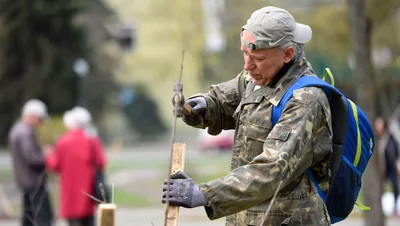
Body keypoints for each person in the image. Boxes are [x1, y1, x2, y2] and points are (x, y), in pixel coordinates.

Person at [162, 6, 333, 225]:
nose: (248, 65)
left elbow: (271, 169)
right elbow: (223, 103)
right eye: (245, 53)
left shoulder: (306, 100)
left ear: (287, 54)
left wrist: (204, 194)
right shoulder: (257, 78)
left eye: (258, 58)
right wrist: (198, 106)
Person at [45, 107, 106, 226]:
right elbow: (100, 162)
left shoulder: (63, 141)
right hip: (88, 189)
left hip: (70, 191)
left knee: (73, 221)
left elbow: (54, 165)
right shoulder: (91, 140)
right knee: (88, 220)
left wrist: (48, 154)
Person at [8, 99, 54, 226]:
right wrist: (46, 156)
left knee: (28, 217)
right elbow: (33, 159)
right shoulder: (25, 133)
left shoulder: (17, 130)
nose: (40, 123)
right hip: (34, 182)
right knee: (42, 217)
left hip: (25, 181)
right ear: (32, 116)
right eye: (40, 119)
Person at [375, 117, 399, 217]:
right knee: (380, 188)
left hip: (391, 167)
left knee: (395, 187)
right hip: (381, 168)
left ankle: (394, 209)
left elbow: (395, 152)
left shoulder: (390, 137)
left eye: (379, 124)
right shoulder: (376, 138)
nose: (378, 127)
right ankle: (380, 208)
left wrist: (398, 164)